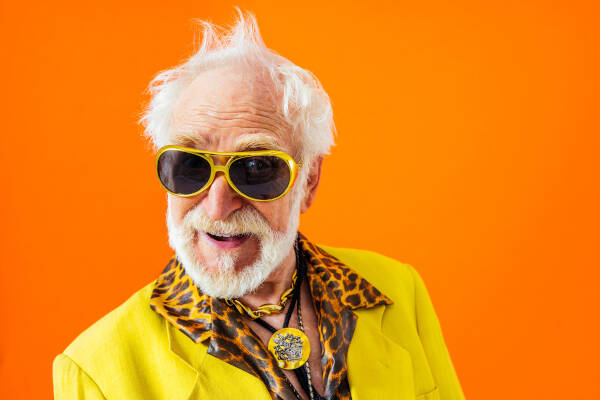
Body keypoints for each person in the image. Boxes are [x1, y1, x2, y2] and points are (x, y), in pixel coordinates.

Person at [53, 11, 465, 400]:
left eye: (255, 168)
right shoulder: (96, 369)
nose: (217, 208)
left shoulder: (398, 291)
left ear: (309, 181)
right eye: (191, 166)